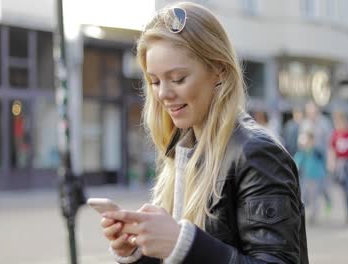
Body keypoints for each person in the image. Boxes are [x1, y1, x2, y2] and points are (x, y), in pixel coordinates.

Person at [100, 2, 308, 263]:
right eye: (154, 81)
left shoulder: (257, 155)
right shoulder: (184, 148)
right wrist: (136, 252)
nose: (163, 93)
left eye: (177, 79)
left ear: (219, 70)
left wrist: (181, 243)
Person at [294, 131, 331, 223]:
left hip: (319, 176)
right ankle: (308, 213)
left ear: (313, 141)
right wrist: (296, 166)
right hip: (307, 177)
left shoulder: (317, 151)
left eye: (310, 140)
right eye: (307, 140)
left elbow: (325, 161)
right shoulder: (303, 151)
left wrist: (328, 169)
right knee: (306, 196)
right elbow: (297, 160)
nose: (308, 142)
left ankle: (324, 206)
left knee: (321, 193)